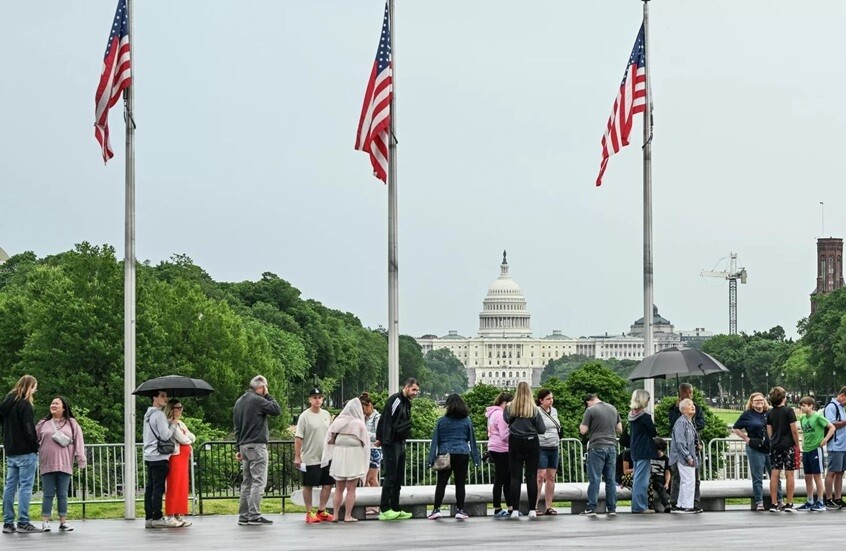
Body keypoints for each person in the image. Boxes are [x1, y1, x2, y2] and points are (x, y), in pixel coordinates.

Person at [233, 375, 281, 526]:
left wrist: (238, 447)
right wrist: (267, 395)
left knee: (246, 482)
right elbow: (276, 410)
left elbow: (237, 428)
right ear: (260, 388)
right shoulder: (258, 400)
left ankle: (244, 515)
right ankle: (254, 515)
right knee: (259, 481)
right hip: (257, 445)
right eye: (265, 388)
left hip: (244, 446)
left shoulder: (239, 402)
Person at [35, 396, 86, 532]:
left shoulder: (72, 423)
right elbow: (33, 440)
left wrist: (81, 459)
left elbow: (79, 442)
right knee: (48, 493)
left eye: (57, 403)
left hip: (65, 463)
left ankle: (63, 521)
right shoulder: (43, 423)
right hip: (47, 464)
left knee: (63, 493)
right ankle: (45, 521)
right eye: (52, 403)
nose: (53, 405)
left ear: (64, 407)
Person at [426, 394, 481, 520]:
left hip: (445, 454)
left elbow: (435, 441)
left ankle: (436, 509)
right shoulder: (467, 420)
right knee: (460, 483)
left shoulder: (441, 421)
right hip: (462, 453)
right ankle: (460, 510)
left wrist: (430, 460)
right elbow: (471, 439)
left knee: (441, 482)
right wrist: (476, 459)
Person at [1, 375, 40, 534]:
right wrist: (35, 446)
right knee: (25, 487)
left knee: (10, 486)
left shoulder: (8, 404)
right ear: (30, 387)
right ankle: (23, 521)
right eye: (35, 387)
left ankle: (8, 522)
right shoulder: (25, 405)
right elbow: (29, 428)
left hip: (11, 451)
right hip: (25, 451)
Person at [377, 378, 420, 521]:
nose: (415, 393)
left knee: (398, 477)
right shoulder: (395, 400)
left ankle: (395, 507)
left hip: (400, 442)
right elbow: (386, 419)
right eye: (413, 389)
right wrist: (384, 439)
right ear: (406, 387)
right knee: (390, 475)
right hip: (391, 443)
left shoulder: (407, 402)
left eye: (417, 390)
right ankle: (385, 508)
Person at [321, 397, 369, 522]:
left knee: (338, 488)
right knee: (351, 488)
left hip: (339, 456)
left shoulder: (337, 422)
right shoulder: (358, 424)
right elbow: (366, 442)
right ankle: (348, 515)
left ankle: (336, 515)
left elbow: (329, 440)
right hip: (354, 456)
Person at [732, 392, 782, 511]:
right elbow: (736, 427)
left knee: (775, 475)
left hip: (770, 447)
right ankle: (759, 502)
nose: (759, 402)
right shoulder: (747, 414)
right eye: (756, 401)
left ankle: (779, 500)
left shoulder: (769, 413)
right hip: (755, 447)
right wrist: (746, 438)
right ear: (751, 402)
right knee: (757, 476)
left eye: (761, 400)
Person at [504, 381, 546, 519]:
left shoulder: (510, 407)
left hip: (515, 441)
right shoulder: (534, 409)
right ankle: (532, 509)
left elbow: (506, 420)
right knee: (531, 476)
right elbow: (541, 429)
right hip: (531, 442)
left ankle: (515, 510)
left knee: (515, 477)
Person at [295, 387, 335, 523]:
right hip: (310, 456)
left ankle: (322, 510)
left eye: (319, 397)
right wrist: (297, 456)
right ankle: (309, 511)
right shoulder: (304, 416)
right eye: (314, 397)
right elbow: (298, 437)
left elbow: (330, 433)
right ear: (310, 400)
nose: (317, 400)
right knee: (309, 485)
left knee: (328, 483)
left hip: (325, 456)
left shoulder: (326, 414)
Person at [143, 390, 182, 528]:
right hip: (159, 455)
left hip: (149, 454)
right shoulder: (159, 415)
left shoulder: (148, 414)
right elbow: (165, 436)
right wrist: (173, 424)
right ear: (154, 398)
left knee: (150, 487)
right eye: (162, 396)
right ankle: (158, 516)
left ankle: (149, 517)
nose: (166, 399)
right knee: (158, 488)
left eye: (166, 396)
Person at [579, 393, 622, 516]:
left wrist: (582, 425)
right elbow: (619, 428)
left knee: (595, 479)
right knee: (610, 480)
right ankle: (612, 508)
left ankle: (592, 508)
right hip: (612, 447)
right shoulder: (613, 408)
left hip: (597, 446)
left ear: (588, 401)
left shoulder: (590, 410)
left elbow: (583, 430)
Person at [668, 383, 705, 510]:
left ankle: (691, 502)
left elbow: (701, 423)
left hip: (692, 451)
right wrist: (688, 456)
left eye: (691, 393)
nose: (689, 395)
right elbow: (679, 440)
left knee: (693, 479)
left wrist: (696, 445)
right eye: (686, 392)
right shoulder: (678, 415)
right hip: (683, 455)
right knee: (682, 479)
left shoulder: (695, 410)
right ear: (681, 393)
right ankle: (679, 504)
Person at [796, 396, 834, 511]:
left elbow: (831, 427)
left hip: (815, 449)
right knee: (807, 476)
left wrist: (825, 440)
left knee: (817, 475)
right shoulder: (803, 419)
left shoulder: (817, 417)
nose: (802, 408)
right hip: (806, 449)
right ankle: (810, 500)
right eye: (801, 406)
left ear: (811, 406)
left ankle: (821, 501)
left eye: (804, 405)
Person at [766, 386, 800, 513]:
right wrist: (797, 444)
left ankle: (774, 503)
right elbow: (794, 430)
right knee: (789, 473)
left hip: (775, 445)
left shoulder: (770, 412)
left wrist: (773, 440)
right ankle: (790, 503)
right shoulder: (789, 411)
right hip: (788, 444)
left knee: (775, 473)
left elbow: (769, 430)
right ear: (784, 398)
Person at [164, 399, 196, 526]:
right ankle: (170, 513)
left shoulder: (181, 423)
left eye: (181, 407)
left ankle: (180, 513)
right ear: (171, 409)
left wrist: (188, 439)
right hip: (175, 457)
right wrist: (188, 439)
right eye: (178, 408)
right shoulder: (169, 423)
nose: (180, 410)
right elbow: (183, 439)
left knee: (182, 486)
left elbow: (192, 436)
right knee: (174, 485)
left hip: (183, 458)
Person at [628, 389, 657, 514]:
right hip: (645, 449)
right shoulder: (645, 417)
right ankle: (640, 506)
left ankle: (637, 504)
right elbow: (653, 432)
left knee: (637, 479)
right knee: (642, 480)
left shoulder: (631, 415)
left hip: (635, 449)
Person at [485, 391, 513, 518]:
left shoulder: (492, 414)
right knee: (502, 479)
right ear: (506, 403)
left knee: (504, 479)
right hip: (502, 448)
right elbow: (504, 435)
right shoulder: (501, 415)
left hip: (494, 446)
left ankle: (509, 507)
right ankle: (498, 507)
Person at [535, 389, 561, 515]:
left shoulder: (554, 411)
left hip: (554, 445)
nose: (551, 401)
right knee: (540, 476)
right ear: (541, 400)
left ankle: (548, 506)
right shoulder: (536, 411)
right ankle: (534, 505)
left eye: (552, 398)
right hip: (541, 446)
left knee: (551, 476)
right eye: (548, 399)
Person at [823, 387, 846, 509]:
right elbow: (831, 424)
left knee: (840, 472)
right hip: (835, 445)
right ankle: (828, 498)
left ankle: (837, 498)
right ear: (842, 396)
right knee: (831, 472)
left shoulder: (841, 407)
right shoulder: (831, 407)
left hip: (843, 445)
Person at [360, 392, 382, 490]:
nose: (362, 411)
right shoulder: (362, 418)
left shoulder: (377, 418)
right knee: (365, 479)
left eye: (363, 408)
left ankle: (377, 502)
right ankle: (367, 503)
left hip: (374, 449)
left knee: (372, 478)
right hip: (364, 449)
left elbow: (379, 435)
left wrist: (365, 434)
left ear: (369, 405)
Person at [650, 437, 672, 513]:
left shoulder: (666, 459)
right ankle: (666, 504)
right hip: (653, 478)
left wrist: (667, 483)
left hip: (662, 478)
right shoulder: (650, 457)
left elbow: (667, 472)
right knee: (660, 486)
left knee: (667, 486)